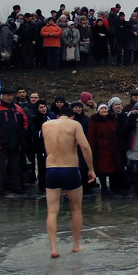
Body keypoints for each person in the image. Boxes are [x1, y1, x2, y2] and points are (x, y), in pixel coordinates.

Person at [41, 109, 95, 257]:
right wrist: (91, 168)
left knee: (52, 210)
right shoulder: (75, 124)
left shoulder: (46, 125)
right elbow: (85, 147)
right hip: (70, 168)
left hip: (51, 169)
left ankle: (53, 248)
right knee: (76, 208)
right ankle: (76, 245)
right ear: (71, 116)